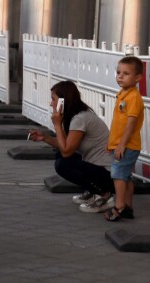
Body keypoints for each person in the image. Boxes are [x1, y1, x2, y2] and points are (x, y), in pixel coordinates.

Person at [27, 81, 114, 211]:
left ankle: (104, 195)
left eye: (53, 99)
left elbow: (66, 152)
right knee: (60, 157)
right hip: (99, 168)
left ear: (63, 101)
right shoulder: (75, 116)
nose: (51, 103)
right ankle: (93, 191)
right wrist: (44, 137)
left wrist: (57, 124)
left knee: (63, 164)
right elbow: (65, 146)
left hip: (108, 173)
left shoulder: (80, 118)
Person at [103, 56, 145, 222]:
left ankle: (119, 206)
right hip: (120, 145)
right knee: (126, 176)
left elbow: (131, 123)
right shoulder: (123, 94)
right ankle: (128, 207)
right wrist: (111, 143)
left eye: (126, 73)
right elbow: (117, 124)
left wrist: (121, 145)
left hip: (127, 145)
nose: (120, 76)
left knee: (118, 176)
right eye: (118, 72)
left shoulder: (133, 97)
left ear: (137, 78)